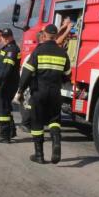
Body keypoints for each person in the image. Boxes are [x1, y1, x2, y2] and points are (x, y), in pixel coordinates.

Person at [17, 24, 70, 164]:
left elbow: (27, 73)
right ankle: (56, 144)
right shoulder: (63, 53)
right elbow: (66, 77)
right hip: (55, 93)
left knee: (37, 121)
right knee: (54, 121)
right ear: (56, 36)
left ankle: (39, 155)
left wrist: (20, 90)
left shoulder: (38, 51)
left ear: (45, 35)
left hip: (39, 92)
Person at [0, 28, 21, 143]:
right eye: (4, 37)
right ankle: (10, 132)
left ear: (11, 36)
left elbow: (6, 69)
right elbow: (1, 66)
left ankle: (4, 135)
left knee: (3, 109)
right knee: (6, 107)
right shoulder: (7, 48)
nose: (5, 39)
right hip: (7, 82)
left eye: (7, 37)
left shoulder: (12, 50)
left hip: (7, 83)